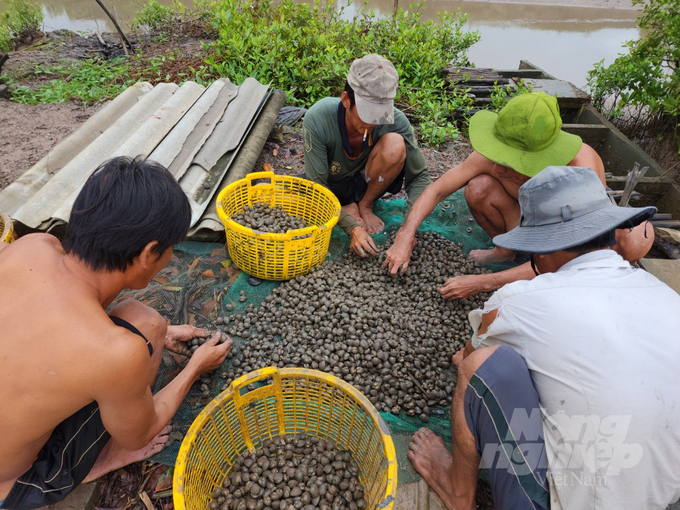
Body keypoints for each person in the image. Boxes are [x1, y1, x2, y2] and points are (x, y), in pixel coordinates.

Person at [408, 166, 680, 510]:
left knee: (481, 365)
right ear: (609, 234)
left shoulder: (518, 300)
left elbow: (468, 357)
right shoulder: (667, 297)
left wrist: (470, 355)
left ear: (540, 251)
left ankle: (459, 493)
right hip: (667, 495)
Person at [0, 156, 233, 510]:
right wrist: (193, 368)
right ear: (149, 253)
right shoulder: (115, 353)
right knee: (139, 344)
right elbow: (142, 430)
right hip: (13, 483)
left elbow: (47, 325)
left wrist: (164, 330)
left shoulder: (33, 247)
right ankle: (104, 459)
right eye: (169, 249)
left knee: (148, 324)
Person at [384, 92, 653, 298]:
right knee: (478, 186)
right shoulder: (493, 154)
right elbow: (437, 189)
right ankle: (506, 251)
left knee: (634, 239)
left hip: (568, 235)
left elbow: (571, 252)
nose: (499, 166)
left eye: (512, 161)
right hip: (522, 219)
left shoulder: (580, 170)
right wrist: (405, 236)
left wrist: (482, 283)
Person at [302, 53, 431, 257]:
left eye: (380, 113)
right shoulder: (318, 118)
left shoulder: (397, 121)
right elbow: (318, 189)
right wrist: (353, 228)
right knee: (270, 192)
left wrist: (407, 231)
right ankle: (346, 208)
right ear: (346, 100)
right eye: (367, 113)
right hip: (332, 186)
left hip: (367, 183)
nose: (373, 122)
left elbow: (420, 178)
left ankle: (364, 205)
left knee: (395, 143)